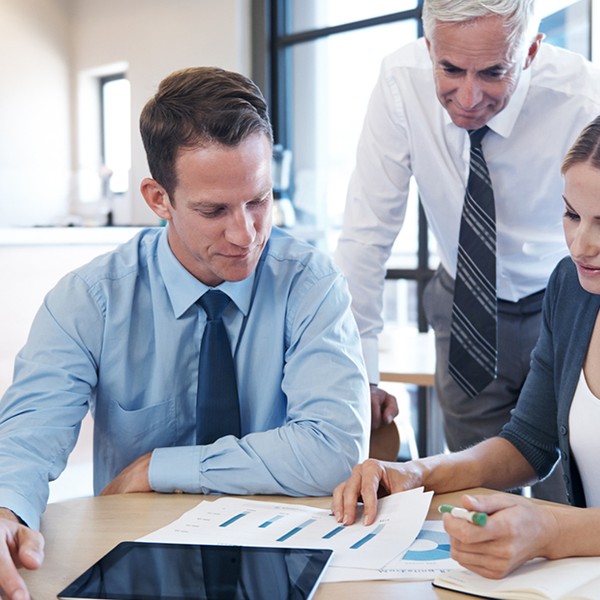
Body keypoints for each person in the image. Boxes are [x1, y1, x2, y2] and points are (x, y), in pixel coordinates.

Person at [0, 66, 370, 599]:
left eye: (259, 200)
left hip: (284, 563)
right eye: (214, 210)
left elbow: (333, 448)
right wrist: (7, 509)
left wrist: (162, 467)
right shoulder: (90, 299)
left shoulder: (310, 284)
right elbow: (29, 435)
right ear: (158, 198)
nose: (245, 234)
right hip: (138, 568)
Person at [334, 0, 600, 497]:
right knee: (473, 497)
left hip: (568, 296)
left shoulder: (582, 96)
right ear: (429, 45)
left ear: (531, 52)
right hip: (466, 304)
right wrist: (361, 375)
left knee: (567, 490)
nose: (469, 96)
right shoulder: (400, 82)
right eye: (451, 69)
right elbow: (366, 235)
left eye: (494, 72)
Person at [332, 115, 600, 579]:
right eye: (572, 215)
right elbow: (528, 443)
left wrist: (551, 528)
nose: (581, 244)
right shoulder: (572, 289)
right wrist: (418, 473)